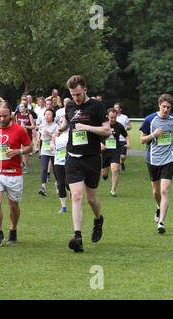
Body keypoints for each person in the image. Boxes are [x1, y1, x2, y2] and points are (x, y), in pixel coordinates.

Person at [57, 75, 110, 252]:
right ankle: (77, 237)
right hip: (73, 157)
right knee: (77, 196)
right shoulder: (70, 105)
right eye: (73, 95)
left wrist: (87, 127)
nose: (76, 98)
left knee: (90, 198)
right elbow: (68, 120)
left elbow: (107, 130)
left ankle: (97, 219)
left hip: (92, 157)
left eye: (78, 94)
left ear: (85, 90)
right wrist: (62, 127)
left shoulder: (96, 105)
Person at [0, 101, 32, 247]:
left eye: (5, 116)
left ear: (10, 114)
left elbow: (30, 147)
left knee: (13, 205)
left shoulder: (19, 130)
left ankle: (13, 229)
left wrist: (18, 152)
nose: (2, 119)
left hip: (14, 173)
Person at [139, 93, 173, 234]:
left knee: (165, 190)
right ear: (159, 105)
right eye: (164, 106)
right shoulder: (150, 120)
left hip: (169, 159)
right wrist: (153, 135)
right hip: (153, 160)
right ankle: (158, 207)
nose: (166, 110)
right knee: (156, 191)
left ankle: (161, 222)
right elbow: (141, 140)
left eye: (169, 108)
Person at [101, 108, 130, 197]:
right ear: (107, 116)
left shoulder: (119, 126)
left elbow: (126, 136)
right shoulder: (102, 125)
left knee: (115, 169)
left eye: (114, 117)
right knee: (104, 172)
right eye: (111, 118)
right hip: (104, 151)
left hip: (115, 150)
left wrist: (128, 143)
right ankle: (105, 175)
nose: (113, 119)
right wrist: (100, 144)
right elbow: (94, 137)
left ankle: (112, 191)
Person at [37, 109, 59, 196]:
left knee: (55, 168)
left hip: (53, 148)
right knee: (44, 168)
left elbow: (58, 137)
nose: (47, 116)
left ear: (53, 116)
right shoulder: (42, 125)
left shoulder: (56, 126)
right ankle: (43, 188)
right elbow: (39, 132)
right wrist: (38, 139)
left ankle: (58, 184)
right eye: (46, 114)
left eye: (49, 114)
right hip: (44, 149)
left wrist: (49, 134)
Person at [52, 116, 70, 213]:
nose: (62, 123)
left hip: (69, 161)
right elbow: (53, 146)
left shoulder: (71, 134)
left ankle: (71, 190)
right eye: (60, 121)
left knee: (68, 182)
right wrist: (52, 147)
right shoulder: (55, 135)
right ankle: (63, 206)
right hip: (58, 161)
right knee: (60, 183)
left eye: (64, 121)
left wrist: (70, 145)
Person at [14, 101, 35, 174]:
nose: (20, 108)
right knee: (19, 151)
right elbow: (16, 125)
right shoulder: (17, 115)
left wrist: (25, 126)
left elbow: (33, 126)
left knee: (25, 153)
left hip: (27, 135)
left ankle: (25, 167)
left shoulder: (29, 116)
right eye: (20, 106)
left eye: (22, 106)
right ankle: (21, 163)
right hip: (19, 135)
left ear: (26, 108)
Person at [114, 103, 131, 171]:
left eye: (116, 107)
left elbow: (129, 126)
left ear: (120, 109)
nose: (115, 109)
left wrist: (126, 128)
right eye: (114, 107)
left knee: (123, 156)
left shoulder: (124, 117)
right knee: (115, 155)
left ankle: (121, 162)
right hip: (114, 139)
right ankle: (116, 167)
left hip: (123, 139)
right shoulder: (112, 117)